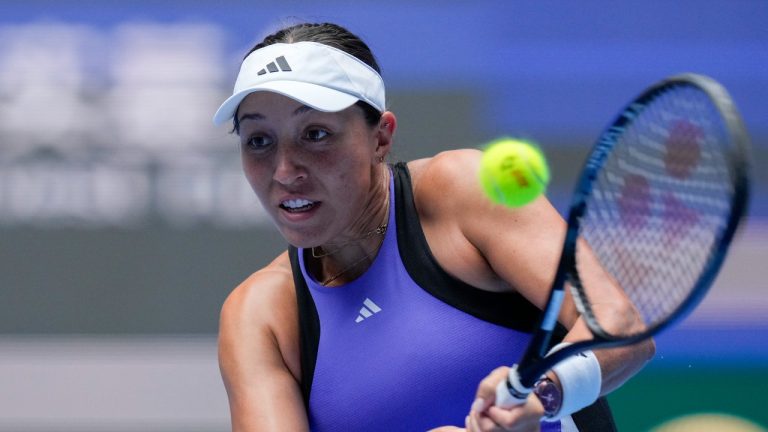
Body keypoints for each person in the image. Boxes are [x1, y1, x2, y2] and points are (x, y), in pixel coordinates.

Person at [215, 22, 654, 432]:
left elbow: (619, 326)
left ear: (380, 137)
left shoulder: (464, 190)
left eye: (315, 134)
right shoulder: (260, 315)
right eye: (259, 141)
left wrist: (543, 393)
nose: (285, 170)